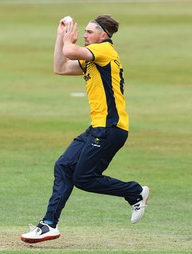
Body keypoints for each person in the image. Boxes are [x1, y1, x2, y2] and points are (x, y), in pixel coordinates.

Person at [20, 14, 150, 244]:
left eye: (90, 32)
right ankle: (48, 225)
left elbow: (70, 52)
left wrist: (69, 39)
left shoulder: (105, 51)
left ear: (104, 35)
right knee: (63, 166)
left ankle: (135, 192)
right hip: (97, 128)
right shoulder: (93, 58)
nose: (86, 36)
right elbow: (60, 67)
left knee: (84, 178)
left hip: (110, 128)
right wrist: (61, 36)